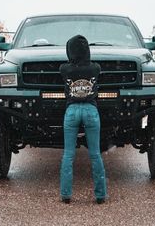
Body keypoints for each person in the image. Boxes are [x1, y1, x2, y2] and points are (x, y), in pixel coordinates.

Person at [59, 35, 107, 204]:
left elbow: (67, 67)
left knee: (68, 155)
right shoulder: (95, 68)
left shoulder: (64, 69)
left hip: (71, 110)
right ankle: (100, 195)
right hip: (91, 110)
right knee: (95, 154)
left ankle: (66, 194)